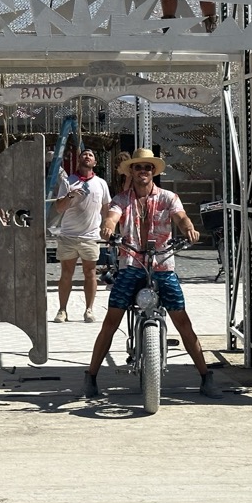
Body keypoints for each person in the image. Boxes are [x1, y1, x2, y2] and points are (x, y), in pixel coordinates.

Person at [83, 147, 223, 399]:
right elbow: (112, 217)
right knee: (111, 320)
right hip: (132, 264)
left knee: (182, 320)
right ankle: (91, 376)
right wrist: (107, 227)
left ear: (153, 172)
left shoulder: (169, 197)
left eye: (148, 167)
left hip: (162, 265)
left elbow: (181, 217)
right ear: (132, 171)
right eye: (138, 167)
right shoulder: (121, 200)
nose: (143, 171)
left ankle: (205, 376)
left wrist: (189, 228)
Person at [49, 147, 112, 323]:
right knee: (66, 273)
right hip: (69, 234)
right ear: (79, 159)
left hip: (90, 236)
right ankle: (62, 310)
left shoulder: (101, 183)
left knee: (90, 272)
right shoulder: (68, 182)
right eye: (84, 154)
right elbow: (59, 208)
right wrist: (69, 196)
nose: (87, 156)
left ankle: (89, 309)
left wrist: (108, 227)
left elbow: (106, 208)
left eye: (91, 155)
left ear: (95, 162)